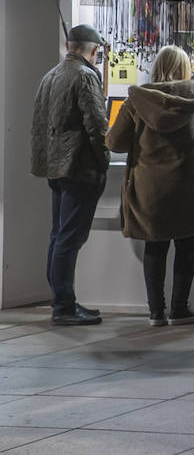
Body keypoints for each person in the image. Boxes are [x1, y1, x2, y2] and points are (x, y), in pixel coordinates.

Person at [107, 45, 194, 326]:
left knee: (155, 248)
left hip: (150, 189)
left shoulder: (137, 100)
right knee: (187, 246)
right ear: (185, 68)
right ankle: (180, 308)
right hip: (191, 186)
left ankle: (156, 311)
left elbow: (115, 142)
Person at [32, 24, 112, 326]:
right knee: (69, 238)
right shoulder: (86, 76)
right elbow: (96, 123)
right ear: (93, 50)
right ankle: (64, 305)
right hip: (80, 167)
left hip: (56, 167)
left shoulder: (50, 75)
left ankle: (60, 300)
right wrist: (103, 159)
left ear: (68, 46)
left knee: (58, 236)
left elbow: (39, 123)